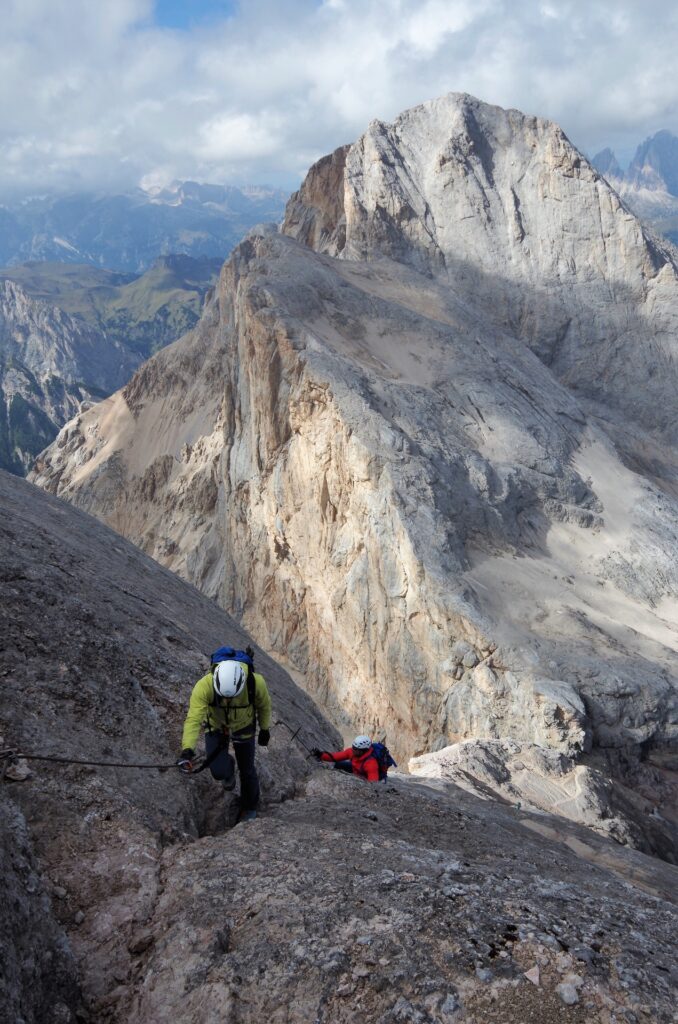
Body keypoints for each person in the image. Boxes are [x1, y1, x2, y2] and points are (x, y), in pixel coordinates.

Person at [177, 650, 272, 822]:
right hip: (216, 725)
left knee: (247, 769)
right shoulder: (204, 686)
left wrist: (265, 729)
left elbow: (264, 706)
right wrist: (187, 750)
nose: (227, 701)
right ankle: (228, 767)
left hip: (243, 725)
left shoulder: (255, 682)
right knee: (218, 771)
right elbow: (194, 719)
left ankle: (250, 807)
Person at [311, 734, 381, 782]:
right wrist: (320, 755)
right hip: (356, 769)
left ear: (364, 751)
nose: (353, 750)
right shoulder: (351, 752)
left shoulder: (371, 764)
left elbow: (373, 784)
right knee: (338, 764)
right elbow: (335, 757)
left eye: (356, 749)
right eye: (353, 747)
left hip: (364, 776)